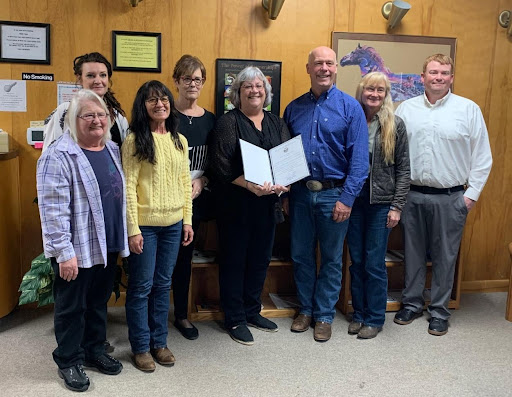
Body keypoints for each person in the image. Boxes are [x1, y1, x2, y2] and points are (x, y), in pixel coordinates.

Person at [394, 54, 492, 336]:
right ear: (422, 76)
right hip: (411, 195)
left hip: (451, 197)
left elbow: (482, 157)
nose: (438, 77)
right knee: (411, 253)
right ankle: (411, 304)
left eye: (444, 73)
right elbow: (396, 154)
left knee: (445, 256)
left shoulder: (468, 110)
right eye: (433, 72)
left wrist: (470, 196)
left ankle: (439, 310)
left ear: (451, 77)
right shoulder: (405, 110)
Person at [37, 89, 128, 392]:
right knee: (71, 307)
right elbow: (52, 210)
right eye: (88, 115)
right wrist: (64, 253)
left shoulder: (112, 149)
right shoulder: (58, 154)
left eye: (101, 115)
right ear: (73, 120)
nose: (96, 120)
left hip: (105, 244)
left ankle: (93, 350)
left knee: (97, 303)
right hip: (76, 249)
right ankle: (69, 361)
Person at [283, 46, 368, 342]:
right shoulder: (293, 109)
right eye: (318, 63)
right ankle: (305, 310)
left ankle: (323, 316)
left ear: (336, 68)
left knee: (331, 258)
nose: (324, 68)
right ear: (308, 68)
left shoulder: (350, 108)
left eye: (329, 63)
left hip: (335, 194)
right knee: (301, 255)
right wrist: (284, 195)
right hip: (301, 194)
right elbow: (286, 155)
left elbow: (359, 161)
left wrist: (347, 198)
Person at [207, 66, 290, 345]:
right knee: (234, 261)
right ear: (237, 92)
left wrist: (285, 183)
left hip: (268, 206)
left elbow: (286, 160)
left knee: (260, 260)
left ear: (266, 92)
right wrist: (250, 185)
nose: (255, 90)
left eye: (259, 86)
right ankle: (235, 318)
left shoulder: (277, 123)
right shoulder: (228, 122)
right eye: (247, 86)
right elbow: (220, 166)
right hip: (236, 205)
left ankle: (252, 311)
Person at [122, 80, 193, 371]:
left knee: (163, 286)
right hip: (146, 227)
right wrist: (132, 229)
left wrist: (187, 219)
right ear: (143, 106)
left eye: (163, 98)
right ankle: (140, 347)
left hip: (174, 224)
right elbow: (128, 187)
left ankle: (159, 343)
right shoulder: (134, 140)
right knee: (141, 287)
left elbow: (185, 184)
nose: (160, 104)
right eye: (152, 100)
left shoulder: (179, 140)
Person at [346, 72, 410, 339]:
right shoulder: (352, 119)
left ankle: (374, 317)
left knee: (374, 263)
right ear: (361, 91)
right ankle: (358, 313)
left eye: (380, 90)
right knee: (357, 261)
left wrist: (397, 206)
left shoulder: (395, 125)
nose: (374, 94)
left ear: (386, 94)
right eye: (370, 89)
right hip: (353, 201)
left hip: (381, 204)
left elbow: (404, 170)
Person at [171, 55, 216, 340]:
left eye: (197, 79)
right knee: (160, 260)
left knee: (184, 258)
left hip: (195, 201)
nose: (192, 84)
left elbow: (217, 162)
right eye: (186, 78)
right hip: (163, 201)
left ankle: (181, 315)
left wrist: (203, 180)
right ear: (176, 81)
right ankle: (152, 314)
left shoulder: (211, 120)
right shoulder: (163, 114)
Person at [42, 52, 128, 151]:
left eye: (103, 75)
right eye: (91, 76)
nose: (98, 81)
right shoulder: (65, 112)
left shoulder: (118, 118)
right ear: (79, 79)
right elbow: (49, 153)